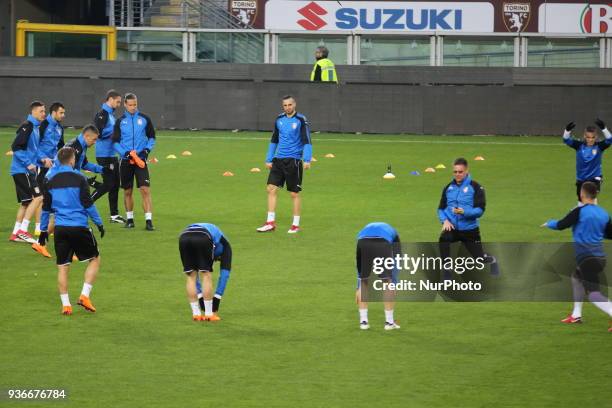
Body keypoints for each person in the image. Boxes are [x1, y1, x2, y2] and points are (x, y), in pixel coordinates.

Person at [38, 147, 105, 315]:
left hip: (60, 229)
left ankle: (66, 305)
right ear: (72, 160)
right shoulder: (80, 178)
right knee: (95, 259)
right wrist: (99, 223)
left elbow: (45, 209)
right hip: (79, 226)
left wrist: (43, 231)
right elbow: (88, 203)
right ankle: (84, 295)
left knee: (62, 266)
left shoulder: (50, 180)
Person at [543, 182, 612, 332]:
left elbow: (561, 224)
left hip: (587, 258)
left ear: (582, 194)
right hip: (599, 258)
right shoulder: (604, 213)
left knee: (594, 295)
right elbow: (610, 234)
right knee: (576, 277)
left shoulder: (579, 211)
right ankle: (576, 315)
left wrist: (549, 223)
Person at [256, 95, 312, 234]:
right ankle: (270, 222)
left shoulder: (301, 120)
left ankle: (295, 224)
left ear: (294, 105)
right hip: (278, 160)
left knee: (294, 193)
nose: (287, 107)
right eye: (285, 105)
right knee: (271, 188)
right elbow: (274, 139)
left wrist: (307, 159)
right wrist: (269, 159)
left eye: (290, 105)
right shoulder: (279, 119)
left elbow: (307, 140)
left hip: (293, 160)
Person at [437, 158, 497, 278]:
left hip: (470, 230)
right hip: (453, 228)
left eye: (460, 172)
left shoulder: (476, 187)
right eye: (455, 172)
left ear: (466, 171)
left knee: (479, 259)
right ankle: (447, 272)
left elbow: (480, 210)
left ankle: (493, 261)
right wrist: (445, 220)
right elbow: (441, 208)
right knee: (444, 240)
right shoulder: (448, 188)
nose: (457, 174)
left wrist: (465, 212)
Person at [112, 93, 156, 231]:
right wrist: (124, 153)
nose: (132, 107)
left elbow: (152, 137)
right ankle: (129, 219)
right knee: (127, 191)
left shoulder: (144, 119)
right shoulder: (120, 121)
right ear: (125, 105)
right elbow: (115, 142)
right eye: (130, 105)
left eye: (134, 105)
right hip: (125, 161)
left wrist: (146, 151)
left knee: (145, 190)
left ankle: (149, 221)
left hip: (140, 160)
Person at [9, 101, 47, 244]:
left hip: (24, 170)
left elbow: (33, 150)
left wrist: (42, 160)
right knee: (38, 198)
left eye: (44, 111)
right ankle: (22, 231)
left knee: (26, 202)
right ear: (34, 112)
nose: (44, 114)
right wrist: (28, 164)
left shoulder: (36, 128)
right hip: (22, 170)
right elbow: (16, 147)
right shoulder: (28, 126)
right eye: (42, 111)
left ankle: (15, 233)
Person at [179, 223, 232, 321]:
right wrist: (217, 298)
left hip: (184, 236)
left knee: (191, 276)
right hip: (203, 236)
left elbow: (196, 280)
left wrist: (200, 296)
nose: (216, 260)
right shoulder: (226, 246)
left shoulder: (216, 238)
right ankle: (209, 314)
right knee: (206, 275)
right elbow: (225, 275)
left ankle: (196, 314)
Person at [355, 222, 401, 331]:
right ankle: (389, 323)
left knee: (364, 281)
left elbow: (359, 269)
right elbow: (397, 260)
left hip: (362, 243)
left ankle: (363, 322)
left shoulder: (365, 230)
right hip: (382, 243)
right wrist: (394, 283)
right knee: (387, 282)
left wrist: (358, 286)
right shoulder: (395, 236)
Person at [34, 102, 65, 237]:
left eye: (64, 113)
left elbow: (61, 147)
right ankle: (38, 227)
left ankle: (48, 226)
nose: (63, 115)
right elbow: (34, 145)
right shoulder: (43, 125)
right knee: (40, 197)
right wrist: (42, 159)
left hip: (54, 167)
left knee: (52, 195)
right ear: (53, 112)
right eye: (61, 113)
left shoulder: (60, 128)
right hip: (41, 165)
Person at [94, 90, 125, 224]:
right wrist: (115, 130)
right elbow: (98, 133)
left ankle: (114, 215)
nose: (118, 105)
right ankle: (86, 203)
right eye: (117, 102)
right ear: (110, 99)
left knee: (115, 185)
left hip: (112, 155)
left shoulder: (111, 116)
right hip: (103, 155)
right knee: (108, 185)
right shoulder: (102, 114)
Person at [563, 119, 612, 203]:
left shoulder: (599, 147)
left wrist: (604, 129)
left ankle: (594, 214)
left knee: (591, 199)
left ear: (596, 137)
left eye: (593, 137)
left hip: (595, 178)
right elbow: (566, 140)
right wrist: (567, 130)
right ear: (585, 137)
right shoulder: (579, 146)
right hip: (581, 179)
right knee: (581, 202)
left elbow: (609, 140)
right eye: (588, 137)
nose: (591, 139)